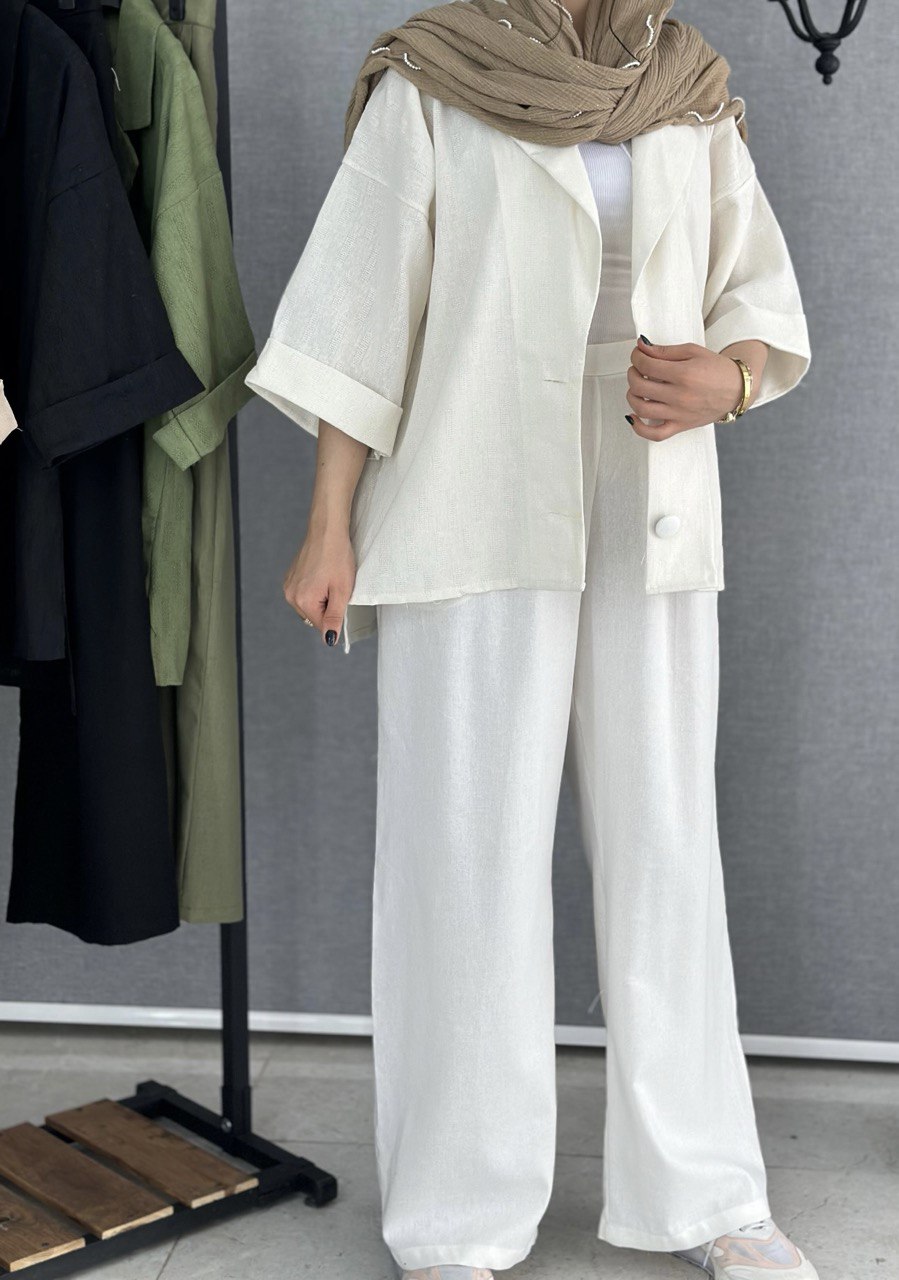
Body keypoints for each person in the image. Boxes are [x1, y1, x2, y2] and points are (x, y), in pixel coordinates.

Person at [245, 1, 815, 1277]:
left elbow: (755, 296)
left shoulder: (686, 86)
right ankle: (457, 1213)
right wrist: (328, 525)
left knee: (665, 839)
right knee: (463, 843)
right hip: (470, 482)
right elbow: (359, 317)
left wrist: (725, 381)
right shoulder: (435, 77)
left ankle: (709, 1193)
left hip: (646, 483)